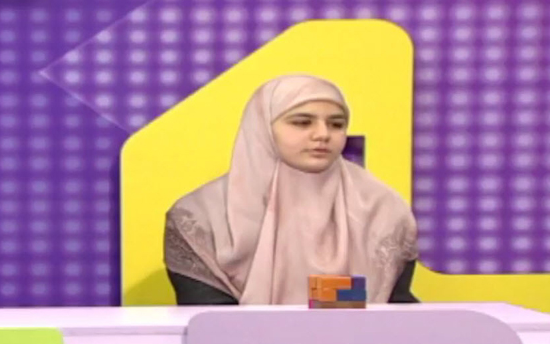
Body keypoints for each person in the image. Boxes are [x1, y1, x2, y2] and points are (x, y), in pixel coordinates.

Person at [163, 74, 419, 305]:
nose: (323, 134)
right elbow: (211, 322)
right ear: (262, 127)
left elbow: (397, 310)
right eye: (302, 122)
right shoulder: (201, 216)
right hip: (244, 343)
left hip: (363, 342)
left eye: (336, 124)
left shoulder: (383, 207)